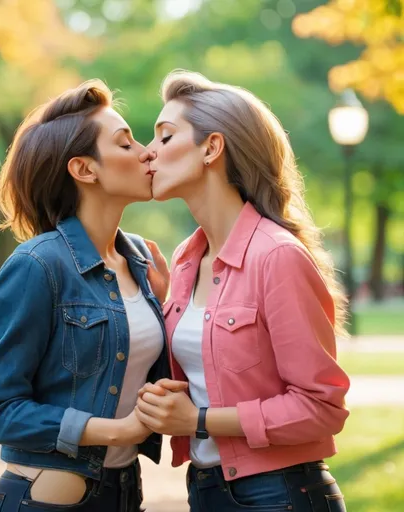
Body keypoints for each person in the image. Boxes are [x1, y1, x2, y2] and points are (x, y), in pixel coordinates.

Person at [137, 70, 350, 512]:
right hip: (208, 489)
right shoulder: (184, 260)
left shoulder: (277, 256)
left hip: (281, 494)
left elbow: (321, 408)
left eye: (164, 136)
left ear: (212, 148)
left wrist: (198, 421)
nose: (147, 153)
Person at [0, 79, 170, 512]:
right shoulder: (38, 264)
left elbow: (142, 370)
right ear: (85, 169)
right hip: (44, 499)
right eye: (126, 144)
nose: (146, 152)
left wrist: (165, 306)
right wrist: (115, 430)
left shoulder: (138, 259)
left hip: (122, 493)